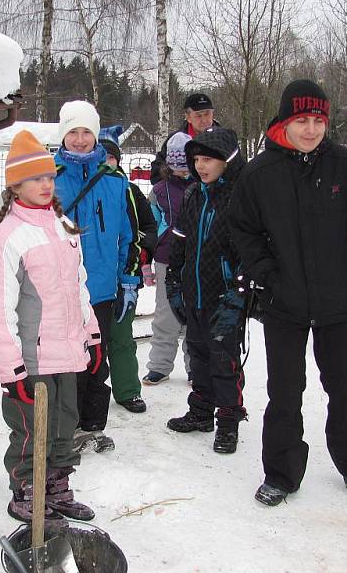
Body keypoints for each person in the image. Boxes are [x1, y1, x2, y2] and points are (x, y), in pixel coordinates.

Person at [228, 80, 347, 506]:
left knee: (344, 387)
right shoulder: (261, 172)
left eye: (318, 120)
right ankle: (281, 472)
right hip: (284, 302)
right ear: (285, 120)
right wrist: (266, 273)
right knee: (285, 390)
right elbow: (241, 228)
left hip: (338, 301)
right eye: (302, 120)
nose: (312, 129)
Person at [0, 130, 99, 524]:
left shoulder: (64, 225)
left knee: (65, 423)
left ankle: (57, 485)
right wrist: (9, 368)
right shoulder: (8, 237)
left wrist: (92, 334)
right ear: (15, 185)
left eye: (49, 177)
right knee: (32, 429)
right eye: (35, 178)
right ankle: (26, 490)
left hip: (67, 352)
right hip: (30, 359)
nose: (45, 184)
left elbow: (79, 286)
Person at [53, 101, 140, 453]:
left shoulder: (116, 183)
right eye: (72, 132)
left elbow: (127, 234)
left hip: (101, 288)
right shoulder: (49, 177)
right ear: (62, 135)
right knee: (65, 359)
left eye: (85, 131)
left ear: (95, 134)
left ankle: (91, 426)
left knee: (96, 358)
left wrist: (128, 279)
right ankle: (65, 427)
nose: (79, 139)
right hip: (61, 287)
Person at [164, 128, 249, 454]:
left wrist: (238, 294)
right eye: (196, 159)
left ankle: (228, 419)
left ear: (226, 161)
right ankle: (201, 411)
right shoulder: (194, 194)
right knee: (197, 353)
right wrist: (174, 279)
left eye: (208, 159)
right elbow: (180, 241)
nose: (201, 165)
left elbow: (248, 252)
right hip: (193, 292)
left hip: (223, 297)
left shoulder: (239, 198)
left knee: (224, 359)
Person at [98, 124, 157, 414]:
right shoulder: (88, 191)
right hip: (93, 281)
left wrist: (139, 253)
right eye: (101, 156)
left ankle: (127, 390)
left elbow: (148, 228)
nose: (106, 162)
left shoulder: (130, 191)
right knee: (90, 342)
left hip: (125, 278)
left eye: (110, 157)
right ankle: (90, 394)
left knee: (121, 337)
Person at [144, 132, 194, 385]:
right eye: (177, 166)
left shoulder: (202, 186)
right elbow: (150, 226)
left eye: (186, 165)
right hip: (166, 258)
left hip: (196, 259)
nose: (182, 171)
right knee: (166, 313)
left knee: (194, 313)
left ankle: (195, 366)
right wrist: (147, 259)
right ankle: (160, 365)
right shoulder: (159, 190)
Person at [150, 92, 220, 184]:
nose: (204, 120)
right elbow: (156, 175)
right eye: (198, 115)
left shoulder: (223, 139)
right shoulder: (175, 141)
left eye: (207, 114)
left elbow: (237, 170)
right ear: (188, 117)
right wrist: (174, 173)